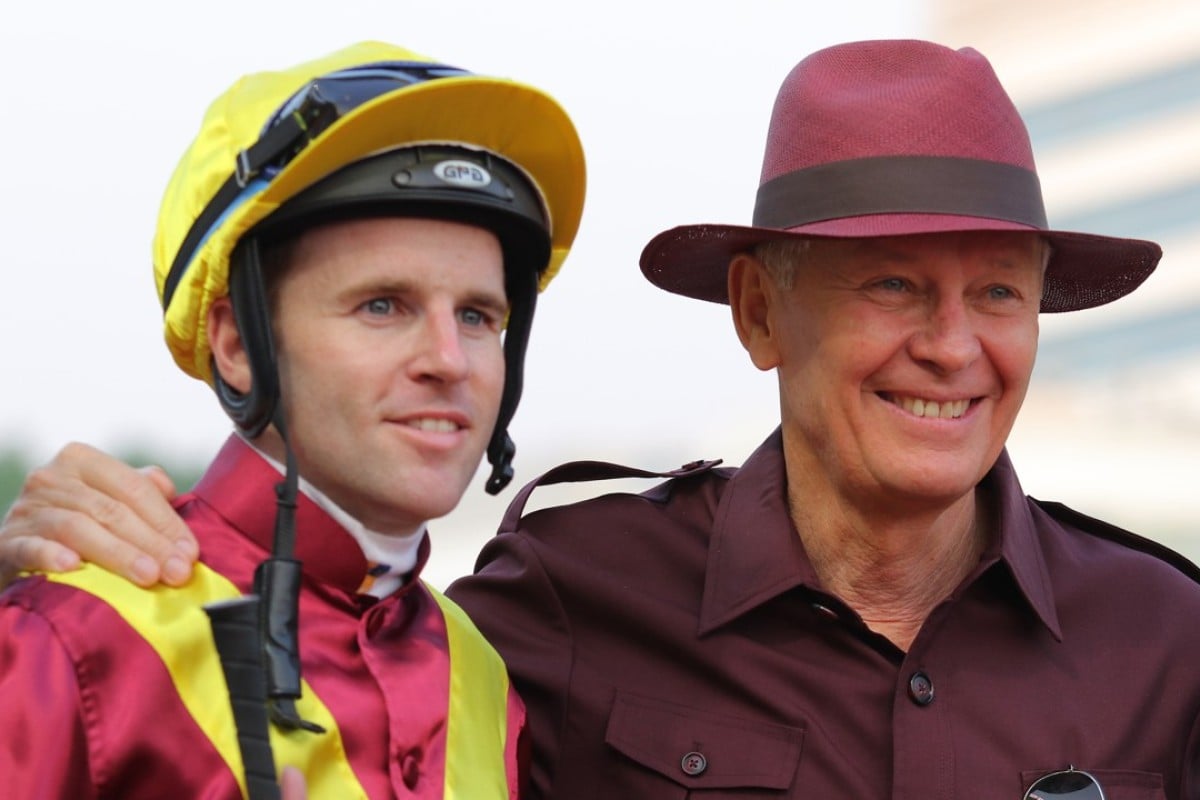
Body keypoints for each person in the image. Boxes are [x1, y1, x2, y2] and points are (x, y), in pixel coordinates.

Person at [4, 38, 1200, 799]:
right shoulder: (561, 597)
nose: (953, 343)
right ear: (758, 314)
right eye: (890, 282)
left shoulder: (1170, 634)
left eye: (999, 290)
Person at [0, 40, 584, 798]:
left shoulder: (482, 673)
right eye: (384, 305)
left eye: (477, 315)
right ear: (238, 346)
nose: (450, 358)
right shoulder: (69, 633)